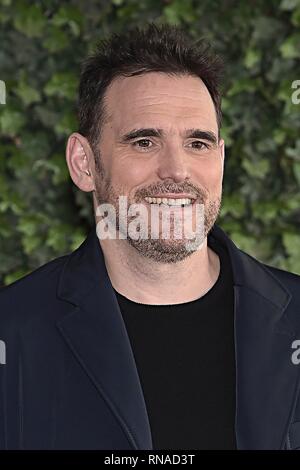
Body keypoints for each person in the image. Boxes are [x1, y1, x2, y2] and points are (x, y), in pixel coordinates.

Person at [0, 22, 300, 450]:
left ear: (221, 159)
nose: (177, 170)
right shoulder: (12, 333)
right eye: (144, 142)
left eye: (198, 143)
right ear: (83, 163)